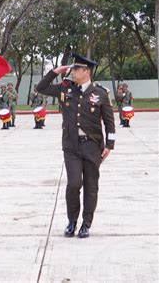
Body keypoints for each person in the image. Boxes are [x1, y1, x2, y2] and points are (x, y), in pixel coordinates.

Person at [36, 52, 115, 239]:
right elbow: (41, 87)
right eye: (71, 69)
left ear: (86, 71)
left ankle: (86, 224)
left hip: (93, 147)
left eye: (75, 69)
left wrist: (110, 145)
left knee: (91, 186)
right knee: (73, 184)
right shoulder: (65, 89)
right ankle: (72, 221)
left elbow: (110, 122)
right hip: (71, 146)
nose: (72, 72)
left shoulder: (101, 94)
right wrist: (57, 71)